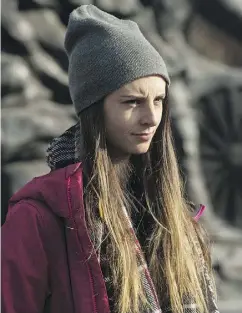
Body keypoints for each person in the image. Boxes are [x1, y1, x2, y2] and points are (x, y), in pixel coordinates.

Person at [1, 5, 219, 313]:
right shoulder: (38, 219)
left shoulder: (175, 216)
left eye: (159, 100)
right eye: (132, 102)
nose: (151, 118)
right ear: (94, 108)